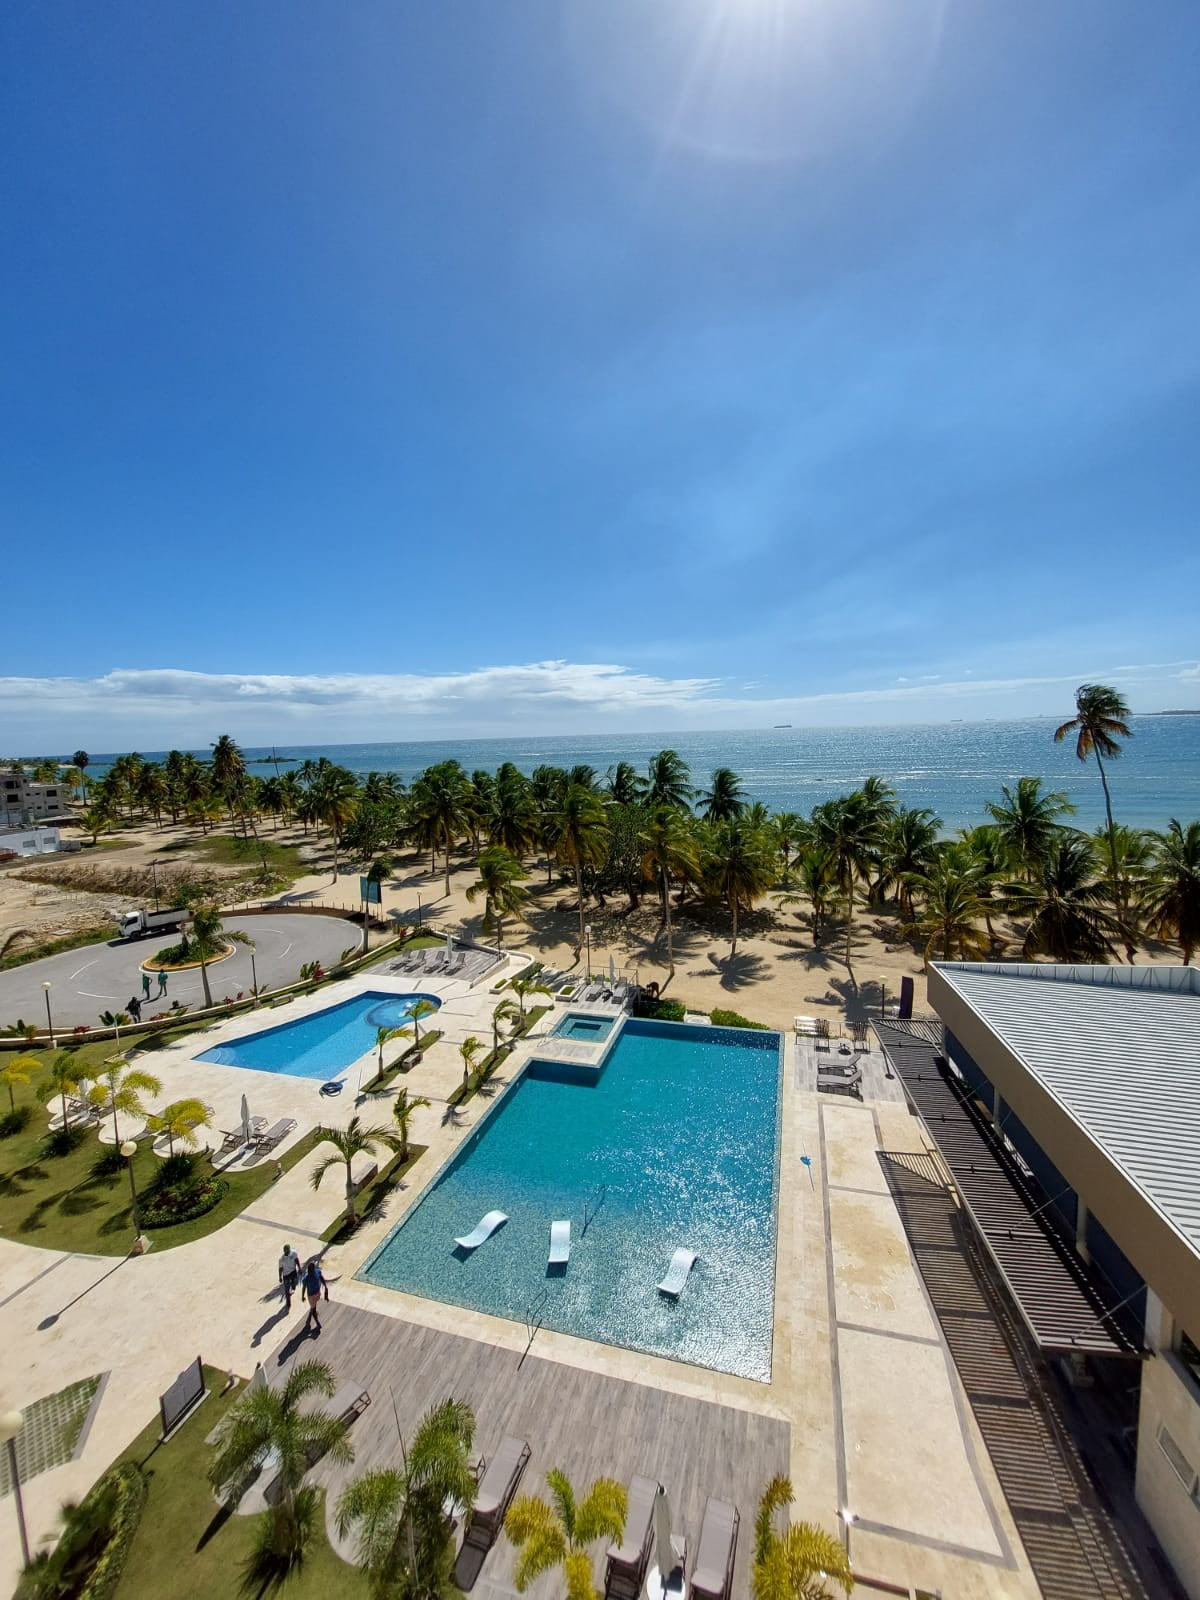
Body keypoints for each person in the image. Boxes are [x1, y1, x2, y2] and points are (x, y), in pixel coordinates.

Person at [302, 1257, 327, 1330]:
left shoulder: (306, 1278)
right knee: (313, 1305)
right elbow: (322, 1278)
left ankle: (318, 1323)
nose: (309, 1271)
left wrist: (302, 1296)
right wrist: (325, 1286)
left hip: (312, 1296)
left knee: (313, 1310)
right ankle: (313, 1309)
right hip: (318, 1293)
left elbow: (304, 1287)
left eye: (309, 1270)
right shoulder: (317, 1272)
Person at [278, 1243, 302, 1310]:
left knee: (294, 1281)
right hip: (286, 1275)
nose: (286, 1253)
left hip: (293, 1271)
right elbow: (280, 1269)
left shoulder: (293, 1253)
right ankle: (288, 1302)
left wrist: (299, 1268)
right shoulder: (281, 1259)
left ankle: (293, 1287)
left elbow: (296, 1260)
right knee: (286, 1289)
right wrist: (280, 1277)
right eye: (285, 1252)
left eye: (287, 1252)